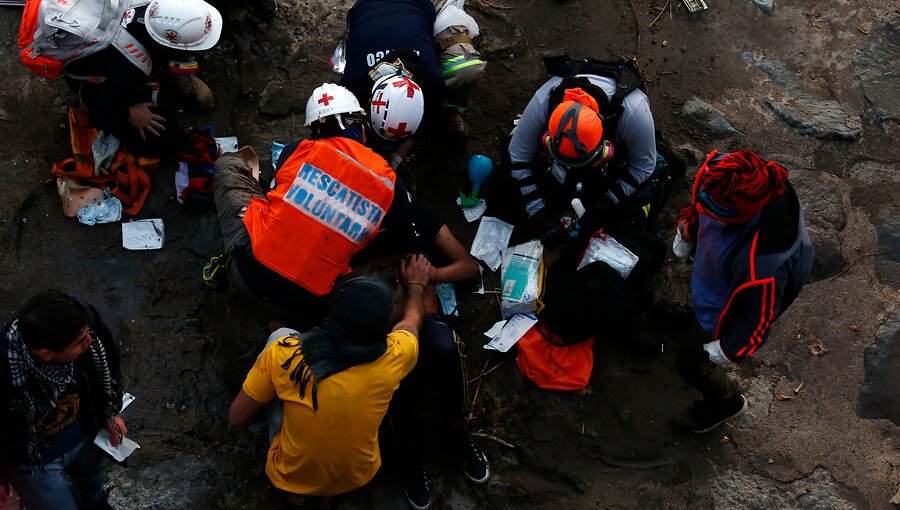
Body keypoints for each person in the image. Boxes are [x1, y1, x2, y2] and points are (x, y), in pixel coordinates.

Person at [227, 256, 432, 506]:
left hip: (287, 476)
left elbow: (236, 417)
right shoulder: (396, 355)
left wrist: (264, 416)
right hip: (357, 477)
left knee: (281, 335)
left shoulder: (285, 353)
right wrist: (416, 287)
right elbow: (412, 321)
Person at [210, 83, 397, 329]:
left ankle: (226, 269)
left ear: (315, 128)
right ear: (352, 123)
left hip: (246, 274)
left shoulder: (298, 151)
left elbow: (279, 192)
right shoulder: (387, 181)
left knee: (228, 165)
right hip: (306, 307)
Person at [671, 150, 813, 434]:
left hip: (725, 302)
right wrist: (689, 228)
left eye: (721, 213)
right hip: (717, 273)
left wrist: (728, 348)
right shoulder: (720, 175)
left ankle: (726, 402)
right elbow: (701, 205)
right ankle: (694, 315)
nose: (713, 216)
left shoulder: (766, 265)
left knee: (689, 363)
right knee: (701, 289)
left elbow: (758, 320)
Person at [388, 206, 489, 510]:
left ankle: (456, 429)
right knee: (398, 371)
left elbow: (471, 266)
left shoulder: (419, 217)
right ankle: (410, 451)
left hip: (426, 319)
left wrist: (430, 275)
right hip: (385, 326)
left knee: (443, 346)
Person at [503, 57, 660, 245]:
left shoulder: (634, 112)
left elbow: (643, 167)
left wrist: (604, 205)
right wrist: (538, 212)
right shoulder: (545, 98)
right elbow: (517, 156)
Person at [0, 290, 126, 510]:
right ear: (47, 354)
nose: (90, 340)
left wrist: (111, 412)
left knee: (92, 487)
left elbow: (110, 365)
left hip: (85, 435)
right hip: (36, 465)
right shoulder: (4, 371)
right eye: (80, 342)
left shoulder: (80, 320)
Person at [61, 0, 223, 155]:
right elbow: (99, 116)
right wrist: (129, 114)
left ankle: (167, 73)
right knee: (167, 137)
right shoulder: (132, 68)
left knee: (202, 98)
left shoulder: (157, 9)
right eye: (190, 51)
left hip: (124, 57)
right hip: (96, 83)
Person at [341, 0, 485, 165]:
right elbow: (346, 115)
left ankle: (448, 115)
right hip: (368, 7)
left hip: (421, 5)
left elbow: (425, 120)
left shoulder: (431, 80)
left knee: (465, 70)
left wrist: (397, 158)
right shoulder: (354, 81)